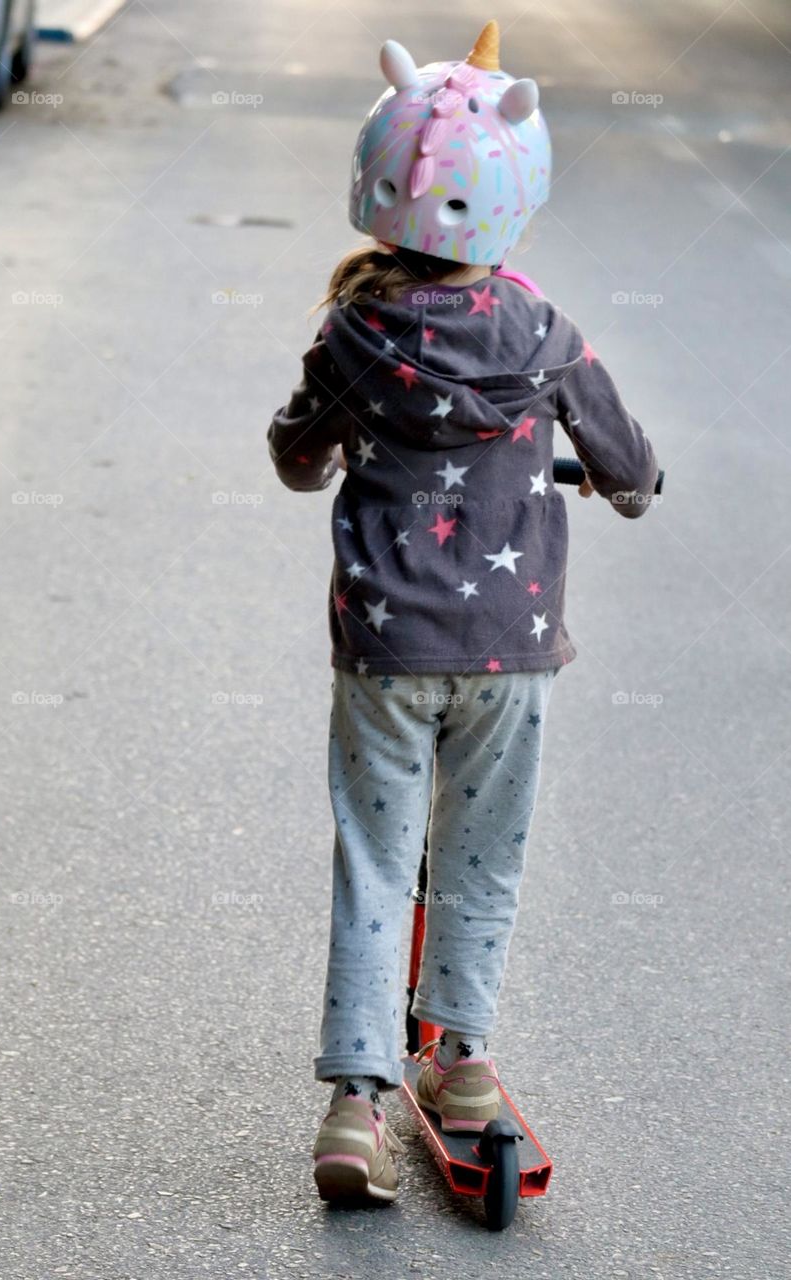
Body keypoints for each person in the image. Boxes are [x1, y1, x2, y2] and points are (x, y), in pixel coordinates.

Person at [266, 19, 658, 1205]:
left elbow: (294, 456)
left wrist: (337, 446)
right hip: (509, 655)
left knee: (378, 863)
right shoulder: (546, 336)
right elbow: (631, 471)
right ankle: (468, 1066)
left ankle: (355, 1103)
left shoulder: (354, 329)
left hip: (384, 647)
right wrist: (591, 470)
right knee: (482, 856)